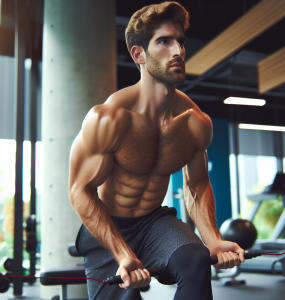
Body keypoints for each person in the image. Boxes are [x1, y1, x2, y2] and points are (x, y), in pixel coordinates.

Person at [68, 2, 245, 300]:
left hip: (155, 221)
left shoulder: (195, 123)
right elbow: (80, 190)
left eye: (180, 41)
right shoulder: (109, 118)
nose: (178, 50)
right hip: (109, 227)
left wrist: (213, 240)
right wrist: (123, 254)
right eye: (164, 41)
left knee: (196, 260)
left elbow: (197, 184)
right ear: (139, 54)